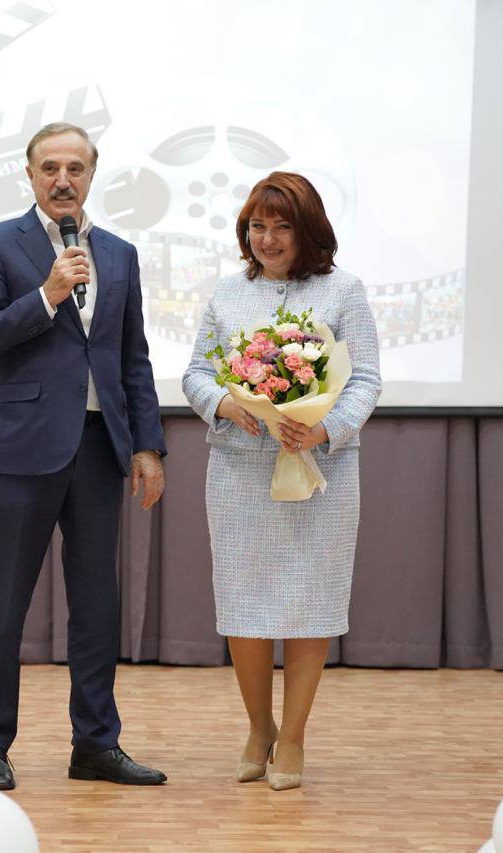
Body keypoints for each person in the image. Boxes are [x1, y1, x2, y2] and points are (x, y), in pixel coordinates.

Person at [0, 122, 168, 790]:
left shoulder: (120, 254)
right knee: (4, 603)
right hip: (23, 448)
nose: (62, 179)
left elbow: (132, 356)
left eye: (75, 168)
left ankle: (96, 744)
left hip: (99, 449)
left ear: (92, 175)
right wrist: (47, 295)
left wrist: (147, 444)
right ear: (29, 175)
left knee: (97, 604)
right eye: (49, 167)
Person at [181, 171, 381, 791]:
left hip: (321, 474)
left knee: (310, 604)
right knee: (242, 605)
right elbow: (196, 373)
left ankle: (293, 736)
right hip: (240, 470)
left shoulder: (343, 291)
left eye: (281, 227)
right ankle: (258, 726)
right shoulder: (227, 292)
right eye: (257, 226)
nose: (266, 239)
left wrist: (324, 429)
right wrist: (227, 403)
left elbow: (365, 380)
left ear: (308, 230)